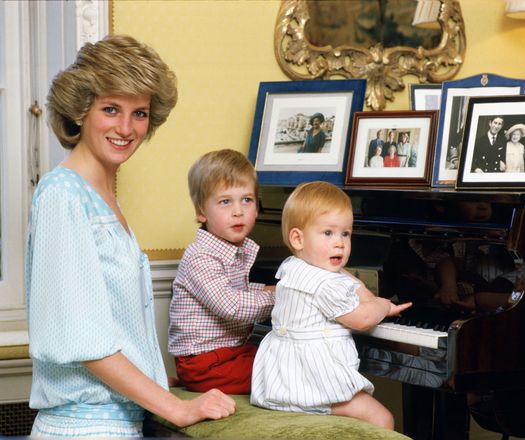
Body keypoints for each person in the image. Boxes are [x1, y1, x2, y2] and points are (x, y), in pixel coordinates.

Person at [26, 35, 235, 437]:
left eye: (139, 113)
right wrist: (175, 408)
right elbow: (83, 340)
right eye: (110, 109)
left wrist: (158, 382)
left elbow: (114, 326)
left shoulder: (102, 198)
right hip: (83, 429)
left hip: (118, 425)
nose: (126, 128)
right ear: (80, 112)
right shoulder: (62, 193)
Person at [250, 181, 412, 429]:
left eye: (345, 233)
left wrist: (366, 295)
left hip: (284, 380)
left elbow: (345, 277)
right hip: (314, 383)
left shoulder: (294, 266)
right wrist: (382, 306)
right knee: (382, 418)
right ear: (298, 238)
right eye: (328, 233)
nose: (340, 243)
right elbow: (362, 320)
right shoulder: (325, 285)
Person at [168, 149, 276, 395]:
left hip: (228, 353)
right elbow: (233, 306)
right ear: (201, 212)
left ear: (257, 207)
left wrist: (269, 289)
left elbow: (238, 290)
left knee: (284, 352)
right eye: (225, 201)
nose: (238, 211)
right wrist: (282, 295)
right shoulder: (200, 257)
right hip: (204, 363)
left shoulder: (232, 249)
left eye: (246, 200)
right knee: (284, 368)